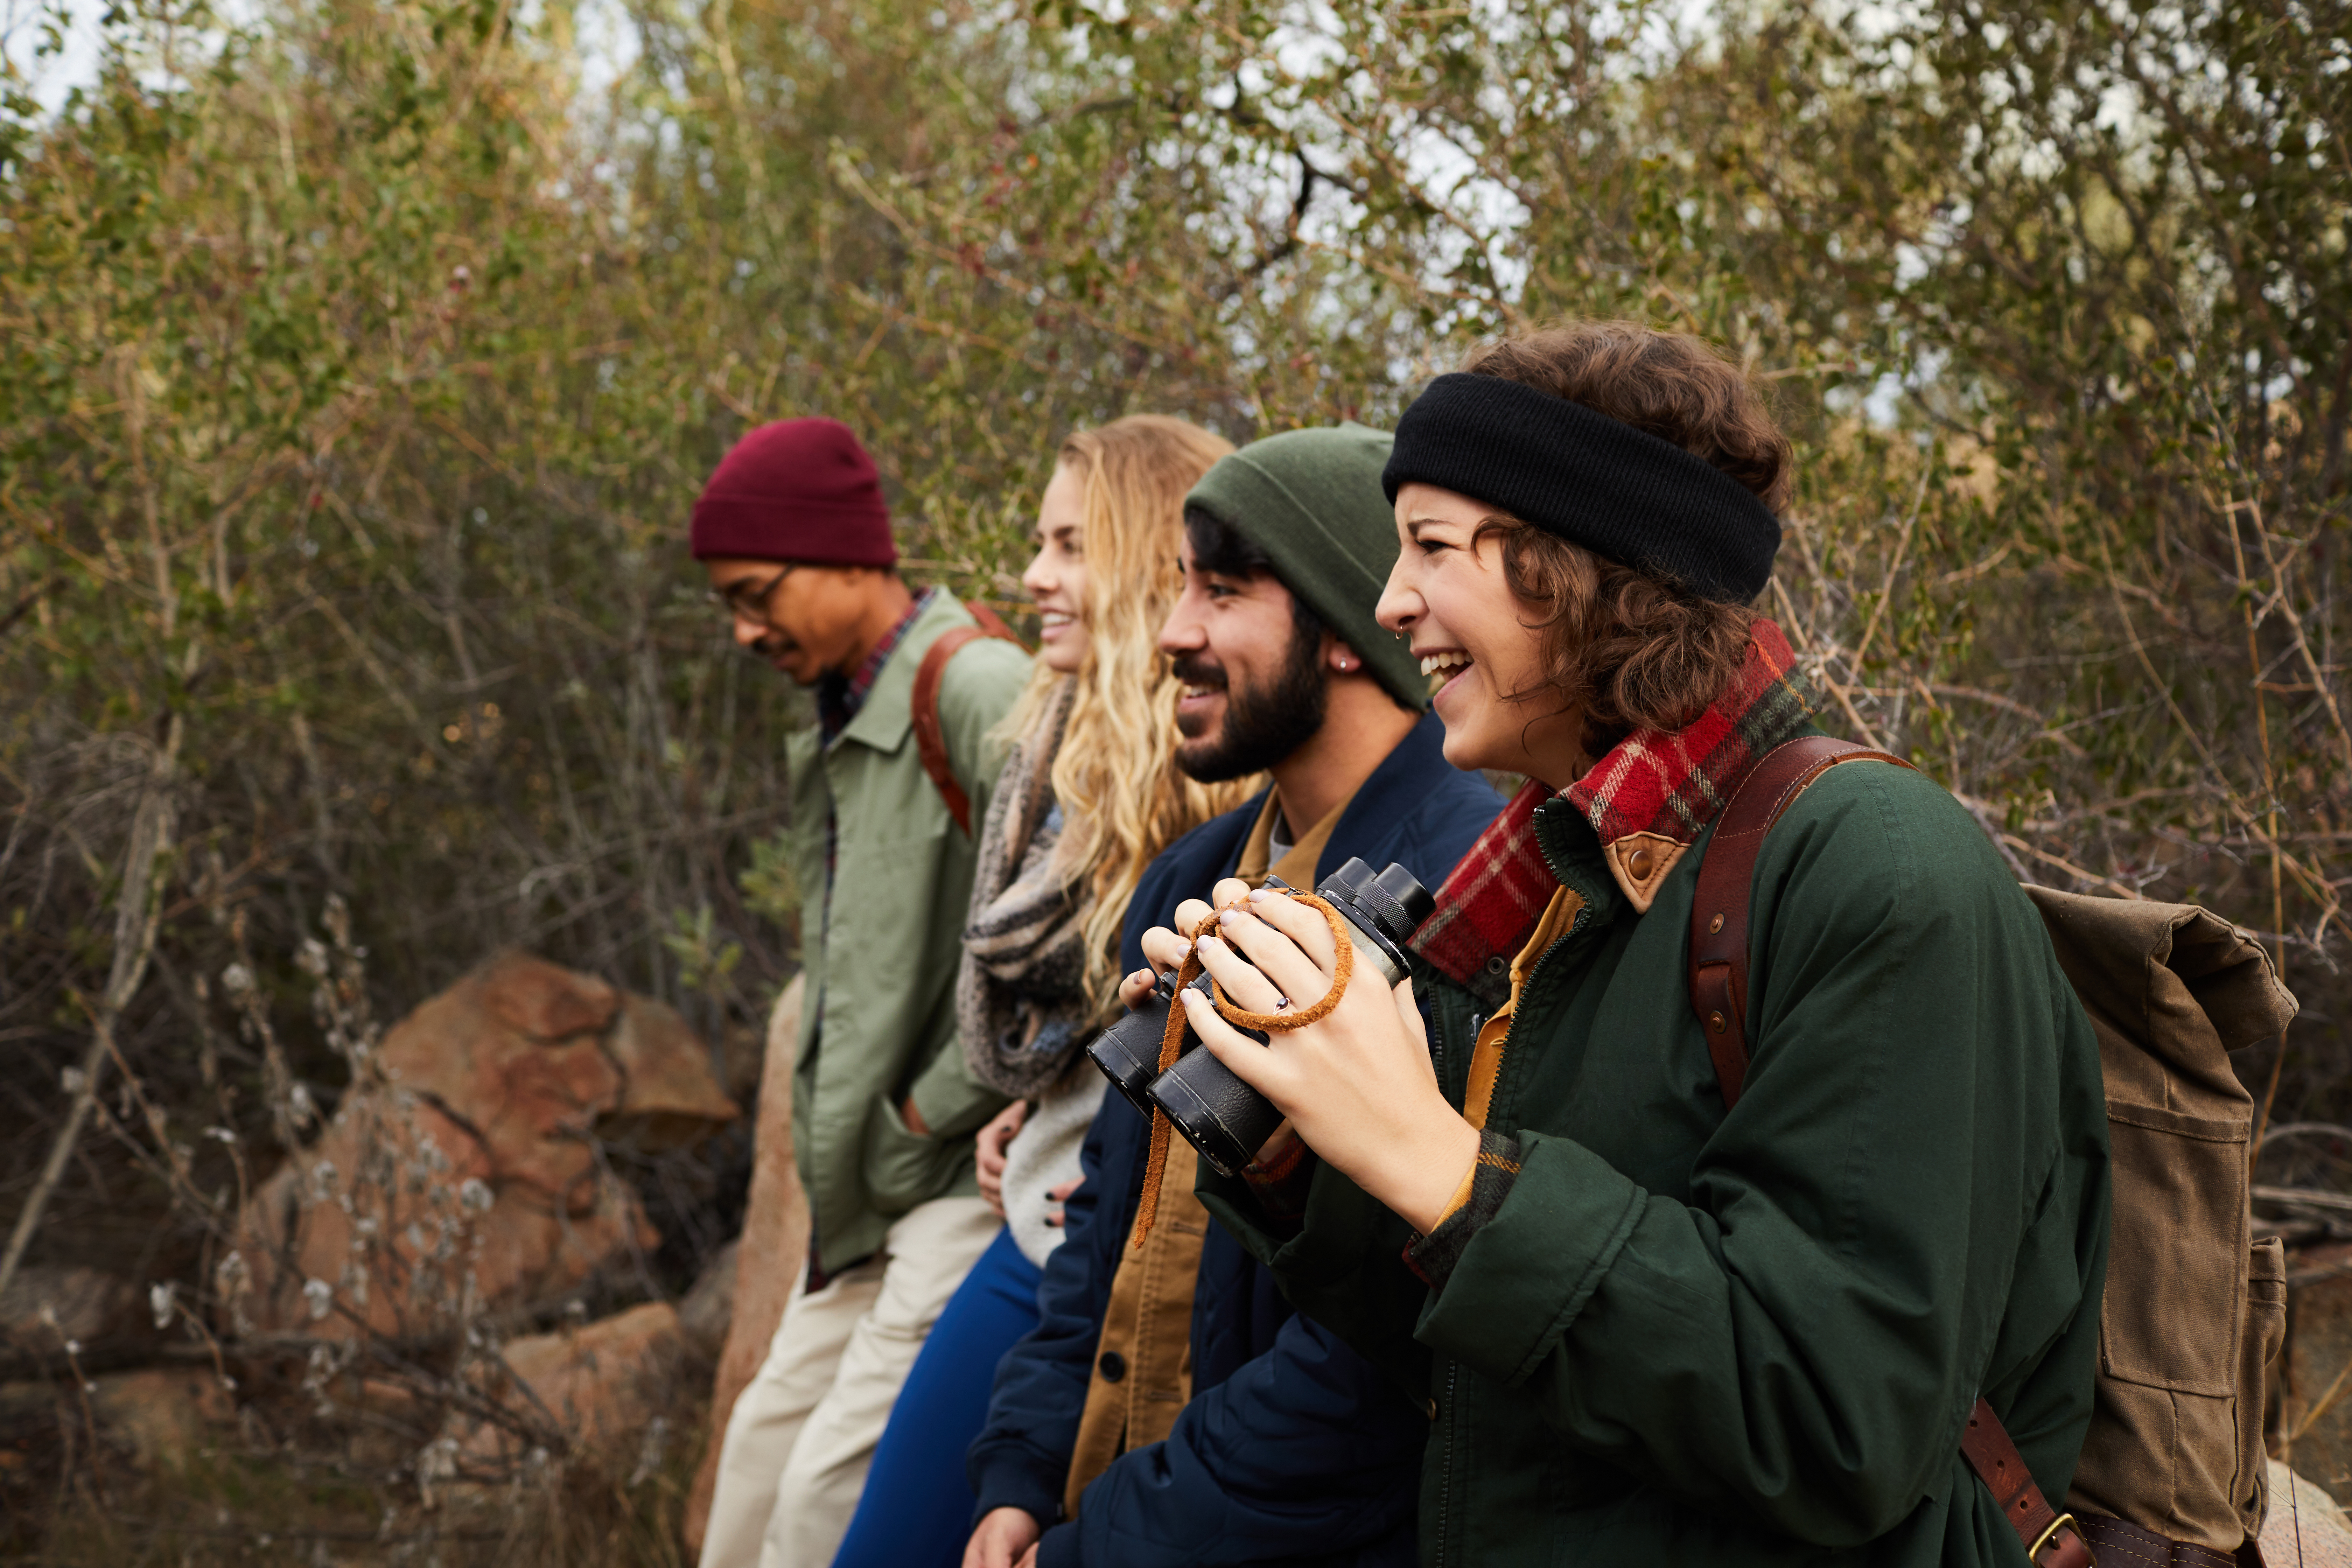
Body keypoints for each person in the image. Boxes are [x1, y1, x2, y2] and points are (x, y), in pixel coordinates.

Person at [1158, 323, 2112, 1566]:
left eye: (1434, 548)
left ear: (1582, 570)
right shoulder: (1547, 882)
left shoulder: (1879, 868)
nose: (1392, 602)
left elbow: (1841, 1422)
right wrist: (1298, 1143)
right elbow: (1482, 1361)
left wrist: (1436, 1160)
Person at [964, 424, 1505, 1568]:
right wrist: (1022, 1473)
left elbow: (1367, 1368)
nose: (1172, 635)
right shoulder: (1193, 878)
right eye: (1178, 590)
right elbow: (1105, 1228)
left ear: (1347, 631)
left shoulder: (1470, 894)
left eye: (1221, 591)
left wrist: (1103, 1543)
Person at [831, 414, 1258, 1568]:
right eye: (1039, 543)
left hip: (1085, 1241)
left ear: (1140, 566)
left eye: (1070, 545)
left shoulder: (1213, 764)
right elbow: (1100, 1015)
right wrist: (1044, 1095)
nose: (1034, 577)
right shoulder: (1061, 742)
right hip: (1042, 1206)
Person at [693, 416, 1034, 1568]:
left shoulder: (980, 687)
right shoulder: (845, 710)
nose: (744, 630)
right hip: (869, 1196)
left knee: (819, 1512)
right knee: (749, 1486)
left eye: (756, 593)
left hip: (950, 1179)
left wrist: (939, 1107)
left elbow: (1080, 917)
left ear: (845, 555)